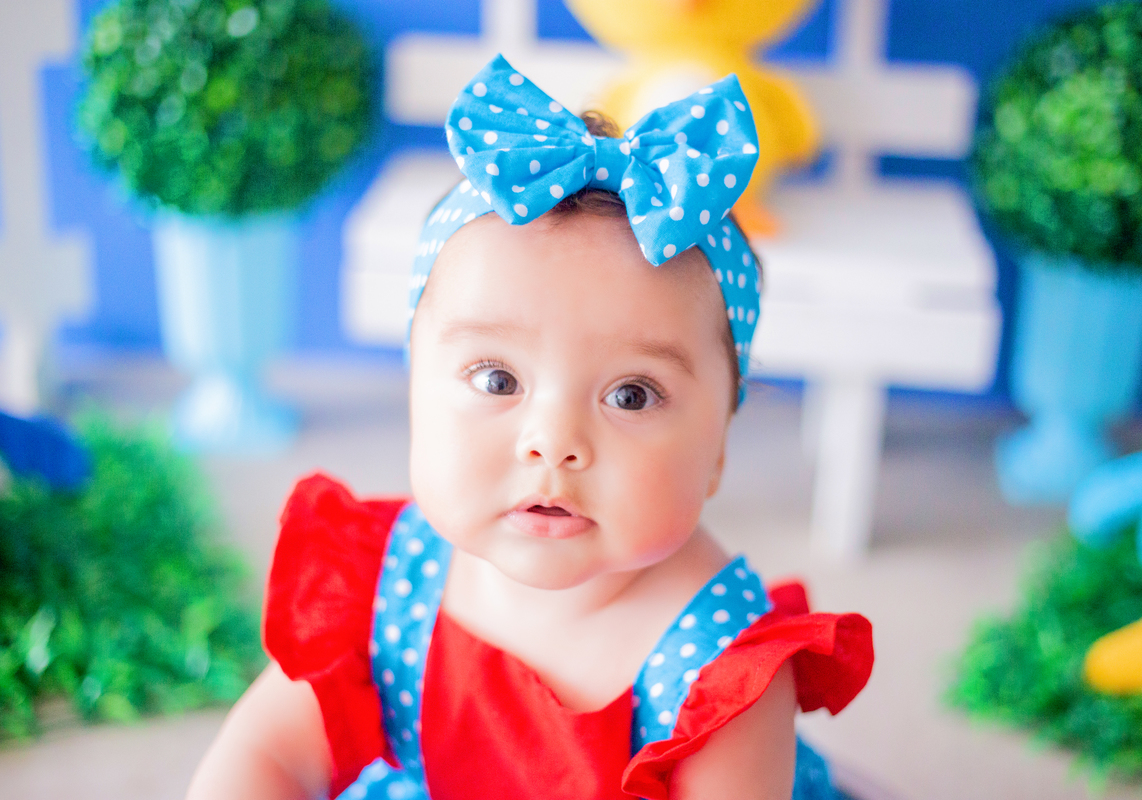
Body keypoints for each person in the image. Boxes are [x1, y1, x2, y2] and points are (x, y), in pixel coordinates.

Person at [186, 55, 873, 800]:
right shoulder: (387, 584)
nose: (554, 441)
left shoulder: (720, 667)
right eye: (496, 379)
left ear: (719, 447)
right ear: (414, 389)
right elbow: (265, 757)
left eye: (633, 395)